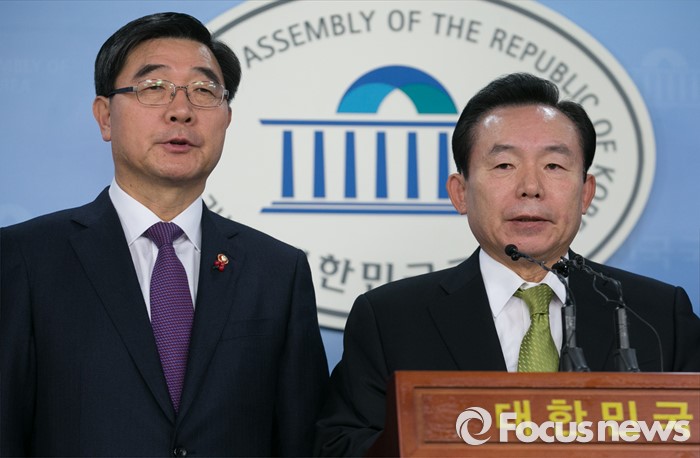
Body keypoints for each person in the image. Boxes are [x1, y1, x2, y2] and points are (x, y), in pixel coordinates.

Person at [313, 73, 700, 457]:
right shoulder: (391, 319)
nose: (530, 187)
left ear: (585, 193)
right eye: (504, 166)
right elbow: (342, 447)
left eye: (554, 165)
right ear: (460, 192)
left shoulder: (655, 315)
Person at [0, 12, 328, 457]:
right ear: (105, 117)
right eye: (154, 88)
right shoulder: (24, 258)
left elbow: (302, 441)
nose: (181, 110)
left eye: (204, 91)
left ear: (227, 119)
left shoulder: (277, 272)